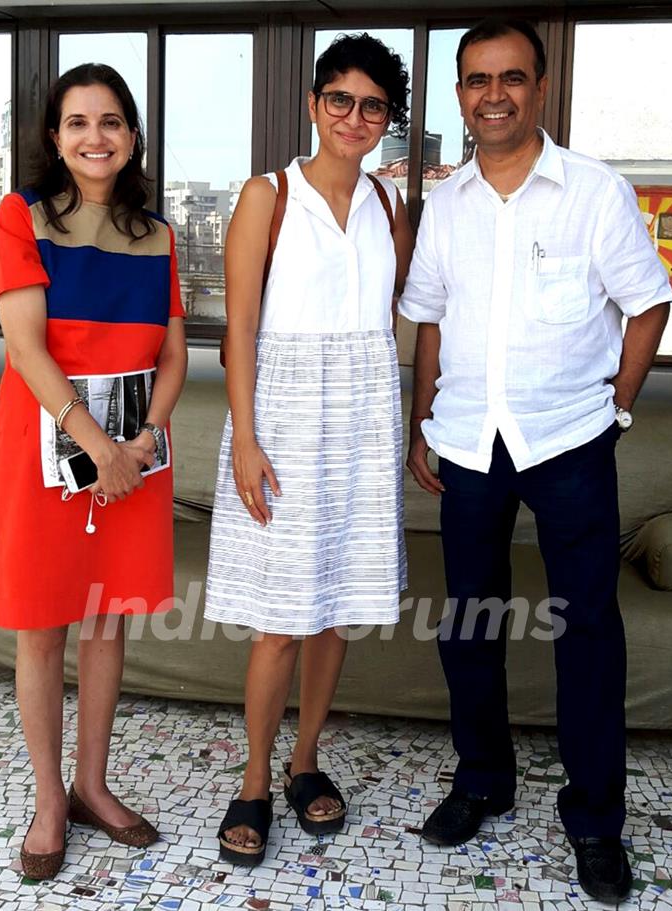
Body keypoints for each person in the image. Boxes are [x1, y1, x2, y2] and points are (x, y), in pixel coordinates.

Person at [398, 18, 672, 905]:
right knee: (469, 621)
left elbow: (648, 304)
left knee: (587, 631)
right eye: (478, 80)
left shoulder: (593, 192)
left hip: (570, 443)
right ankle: (483, 779)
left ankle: (595, 818)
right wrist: (421, 423)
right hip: (470, 443)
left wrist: (617, 407)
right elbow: (430, 321)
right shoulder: (446, 201)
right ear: (460, 95)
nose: (494, 95)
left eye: (511, 78)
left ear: (540, 89)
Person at [205, 33, 413, 866]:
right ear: (314, 104)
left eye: (373, 106)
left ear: (387, 119)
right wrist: (247, 439)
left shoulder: (390, 205)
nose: (355, 118)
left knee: (335, 612)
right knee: (281, 623)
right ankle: (253, 778)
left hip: (361, 418)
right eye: (341, 100)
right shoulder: (268, 195)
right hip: (284, 422)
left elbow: (390, 320)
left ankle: (304, 761)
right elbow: (242, 329)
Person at [0, 63, 187, 880]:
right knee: (43, 627)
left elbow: (173, 354)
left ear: (133, 137)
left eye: (111, 122)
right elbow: (27, 347)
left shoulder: (160, 235)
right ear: (53, 137)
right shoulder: (21, 216)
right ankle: (47, 800)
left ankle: (93, 787)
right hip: (45, 446)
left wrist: (136, 443)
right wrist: (96, 445)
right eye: (78, 122)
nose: (95, 137)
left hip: (135, 458)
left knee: (109, 623)